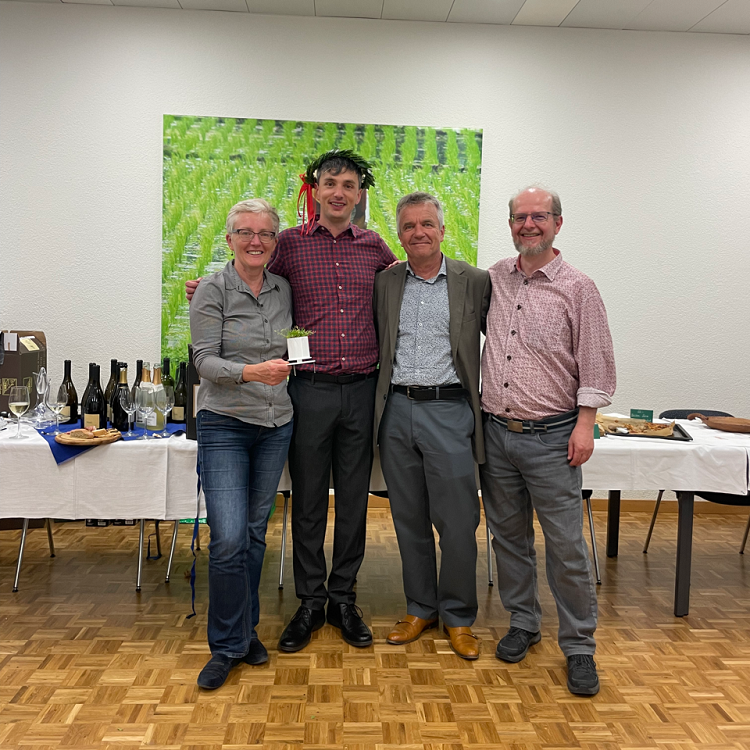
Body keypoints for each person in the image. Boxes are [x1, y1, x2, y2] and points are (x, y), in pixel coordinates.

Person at [187, 151, 397, 651]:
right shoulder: (289, 247)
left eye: (349, 184)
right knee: (306, 503)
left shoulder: (376, 248)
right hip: (307, 391)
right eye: (330, 183)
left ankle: (343, 597)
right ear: (315, 190)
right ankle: (309, 601)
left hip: (363, 390)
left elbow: (410, 289)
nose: (339, 192)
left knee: (352, 502)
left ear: (359, 192)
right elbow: (248, 273)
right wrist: (203, 288)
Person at [479, 186, 616, 695]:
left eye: (539, 216)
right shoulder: (494, 278)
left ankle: (579, 647)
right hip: (496, 434)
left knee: (566, 548)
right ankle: (524, 623)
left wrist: (586, 424)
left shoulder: (579, 288)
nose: (528, 224)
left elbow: (596, 363)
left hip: (553, 438)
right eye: (520, 217)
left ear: (558, 223)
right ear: (511, 224)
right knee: (508, 541)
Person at [373, 192, 491, 660]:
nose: (418, 232)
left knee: (459, 522)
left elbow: (507, 336)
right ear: (398, 235)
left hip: (449, 410)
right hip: (396, 411)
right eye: (408, 226)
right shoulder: (386, 282)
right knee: (409, 521)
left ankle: (459, 616)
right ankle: (421, 607)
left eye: (427, 224)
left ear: (443, 230)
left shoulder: (473, 281)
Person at [190, 199, 293, 689]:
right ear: (229, 238)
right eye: (245, 232)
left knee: (254, 533)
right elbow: (203, 361)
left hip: (276, 424)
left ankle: (244, 632)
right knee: (228, 537)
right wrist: (251, 372)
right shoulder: (211, 289)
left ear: (276, 241)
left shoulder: (283, 290)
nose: (256, 241)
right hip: (225, 423)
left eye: (265, 233)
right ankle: (226, 645)